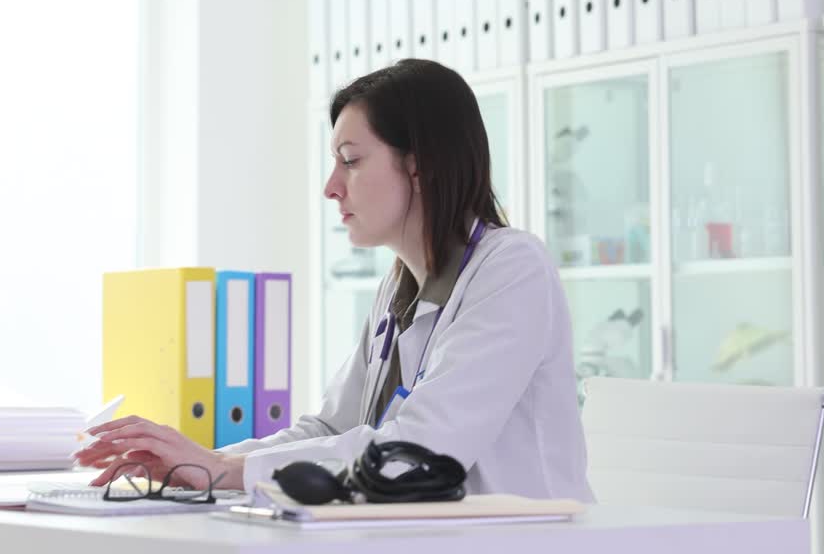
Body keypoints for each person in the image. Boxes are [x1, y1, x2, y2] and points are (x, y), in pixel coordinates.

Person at [76, 59, 593, 502]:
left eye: (350, 161)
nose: (331, 187)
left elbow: (422, 452)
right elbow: (331, 428)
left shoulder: (513, 269)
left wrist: (227, 474)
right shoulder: (399, 288)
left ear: (420, 167)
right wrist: (201, 462)